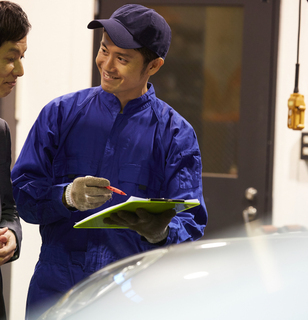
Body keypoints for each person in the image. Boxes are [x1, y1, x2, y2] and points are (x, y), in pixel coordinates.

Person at [11, 4, 208, 319]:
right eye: (104, 50)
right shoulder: (60, 115)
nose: (107, 64)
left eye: (123, 58)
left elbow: (191, 222)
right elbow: (22, 197)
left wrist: (161, 232)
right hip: (57, 290)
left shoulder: (174, 134)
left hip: (132, 296)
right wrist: (66, 197)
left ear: (153, 66)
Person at [0, 1, 30, 319]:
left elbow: (8, 208)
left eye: (22, 57)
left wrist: (11, 235)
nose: (20, 70)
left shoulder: (1, 132)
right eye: (12, 58)